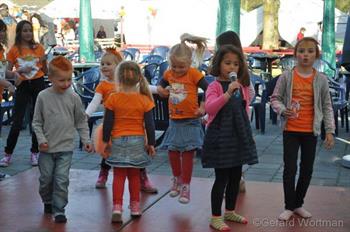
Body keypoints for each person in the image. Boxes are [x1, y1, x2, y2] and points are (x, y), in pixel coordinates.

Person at [271, 37, 335, 221]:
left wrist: (329, 131)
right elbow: (275, 98)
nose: (305, 55)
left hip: (310, 132)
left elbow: (327, 106)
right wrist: (283, 110)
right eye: (301, 51)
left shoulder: (321, 79)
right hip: (290, 130)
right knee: (289, 169)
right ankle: (288, 206)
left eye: (310, 51)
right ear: (295, 54)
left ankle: (298, 204)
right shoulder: (286, 76)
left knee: (307, 169)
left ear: (316, 55)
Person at [201, 44, 258, 231]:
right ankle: (216, 216)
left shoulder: (240, 87)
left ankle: (230, 210)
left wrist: (249, 135)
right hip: (220, 138)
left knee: (235, 177)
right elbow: (210, 108)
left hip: (237, 136)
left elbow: (244, 109)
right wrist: (226, 93)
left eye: (235, 63)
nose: (232, 67)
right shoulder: (214, 86)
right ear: (219, 64)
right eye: (227, 63)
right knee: (221, 178)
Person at [86, 48, 158, 193]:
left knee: (138, 154)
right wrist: (86, 114)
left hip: (132, 127)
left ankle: (143, 178)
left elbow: (146, 87)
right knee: (108, 151)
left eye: (108, 64)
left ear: (118, 67)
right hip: (111, 126)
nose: (104, 66)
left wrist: (159, 89)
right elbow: (95, 101)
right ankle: (103, 174)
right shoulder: (103, 86)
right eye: (102, 64)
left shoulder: (128, 84)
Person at [32, 56, 93, 223]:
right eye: (61, 80)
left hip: (65, 148)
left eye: (68, 79)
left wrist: (86, 140)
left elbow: (81, 121)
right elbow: (36, 122)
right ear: (50, 78)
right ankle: (47, 201)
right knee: (46, 180)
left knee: (61, 179)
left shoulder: (73, 97)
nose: (66, 84)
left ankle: (59, 210)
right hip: (46, 149)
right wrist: (41, 139)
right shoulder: (43, 97)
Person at [99, 61, 156, 222]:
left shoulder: (113, 98)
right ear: (139, 78)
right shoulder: (144, 100)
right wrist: (151, 143)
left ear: (118, 79)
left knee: (118, 175)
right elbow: (150, 125)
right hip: (137, 140)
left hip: (117, 140)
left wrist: (105, 141)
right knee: (134, 176)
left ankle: (117, 206)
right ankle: (135, 206)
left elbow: (108, 122)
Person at [157, 33, 208, 204]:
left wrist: (202, 107)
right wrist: (161, 90)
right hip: (175, 120)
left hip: (191, 120)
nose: (177, 70)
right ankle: (176, 179)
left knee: (188, 152)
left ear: (189, 63)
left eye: (181, 67)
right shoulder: (169, 73)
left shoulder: (194, 74)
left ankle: (186, 186)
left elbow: (209, 90)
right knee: (172, 151)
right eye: (174, 66)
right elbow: (160, 85)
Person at [0, 20, 48, 167]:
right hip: (22, 85)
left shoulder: (39, 48)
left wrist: (44, 61)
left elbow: (44, 71)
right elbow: (6, 73)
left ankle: (34, 152)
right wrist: (19, 72)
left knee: (37, 119)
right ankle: (8, 154)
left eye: (30, 30)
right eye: (24, 30)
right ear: (19, 32)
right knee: (17, 120)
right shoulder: (13, 50)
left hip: (38, 83)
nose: (27, 33)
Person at [215, 30, 255, 193]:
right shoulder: (227, 73)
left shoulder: (239, 73)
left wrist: (241, 105)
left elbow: (250, 92)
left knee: (234, 151)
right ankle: (234, 181)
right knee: (231, 151)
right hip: (233, 119)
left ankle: (236, 180)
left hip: (236, 119)